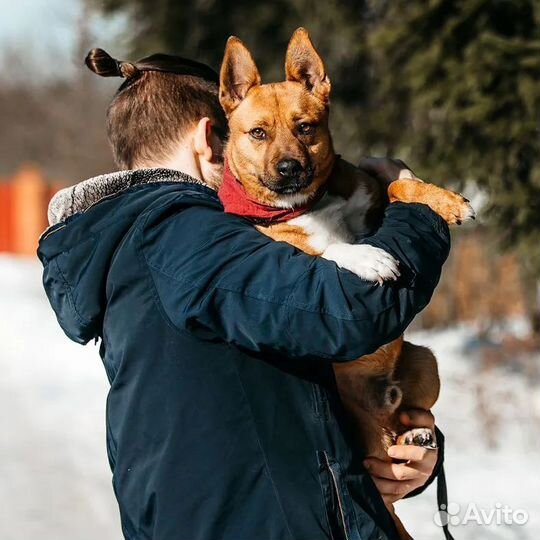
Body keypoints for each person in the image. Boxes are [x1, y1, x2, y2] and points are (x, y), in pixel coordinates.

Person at [39, 49, 449, 540]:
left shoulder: (135, 247)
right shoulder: (182, 236)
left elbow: (289, 394)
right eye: (252, 137)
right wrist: (417, 206)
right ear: (211, 139)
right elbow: (350, 312)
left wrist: (405, 449)